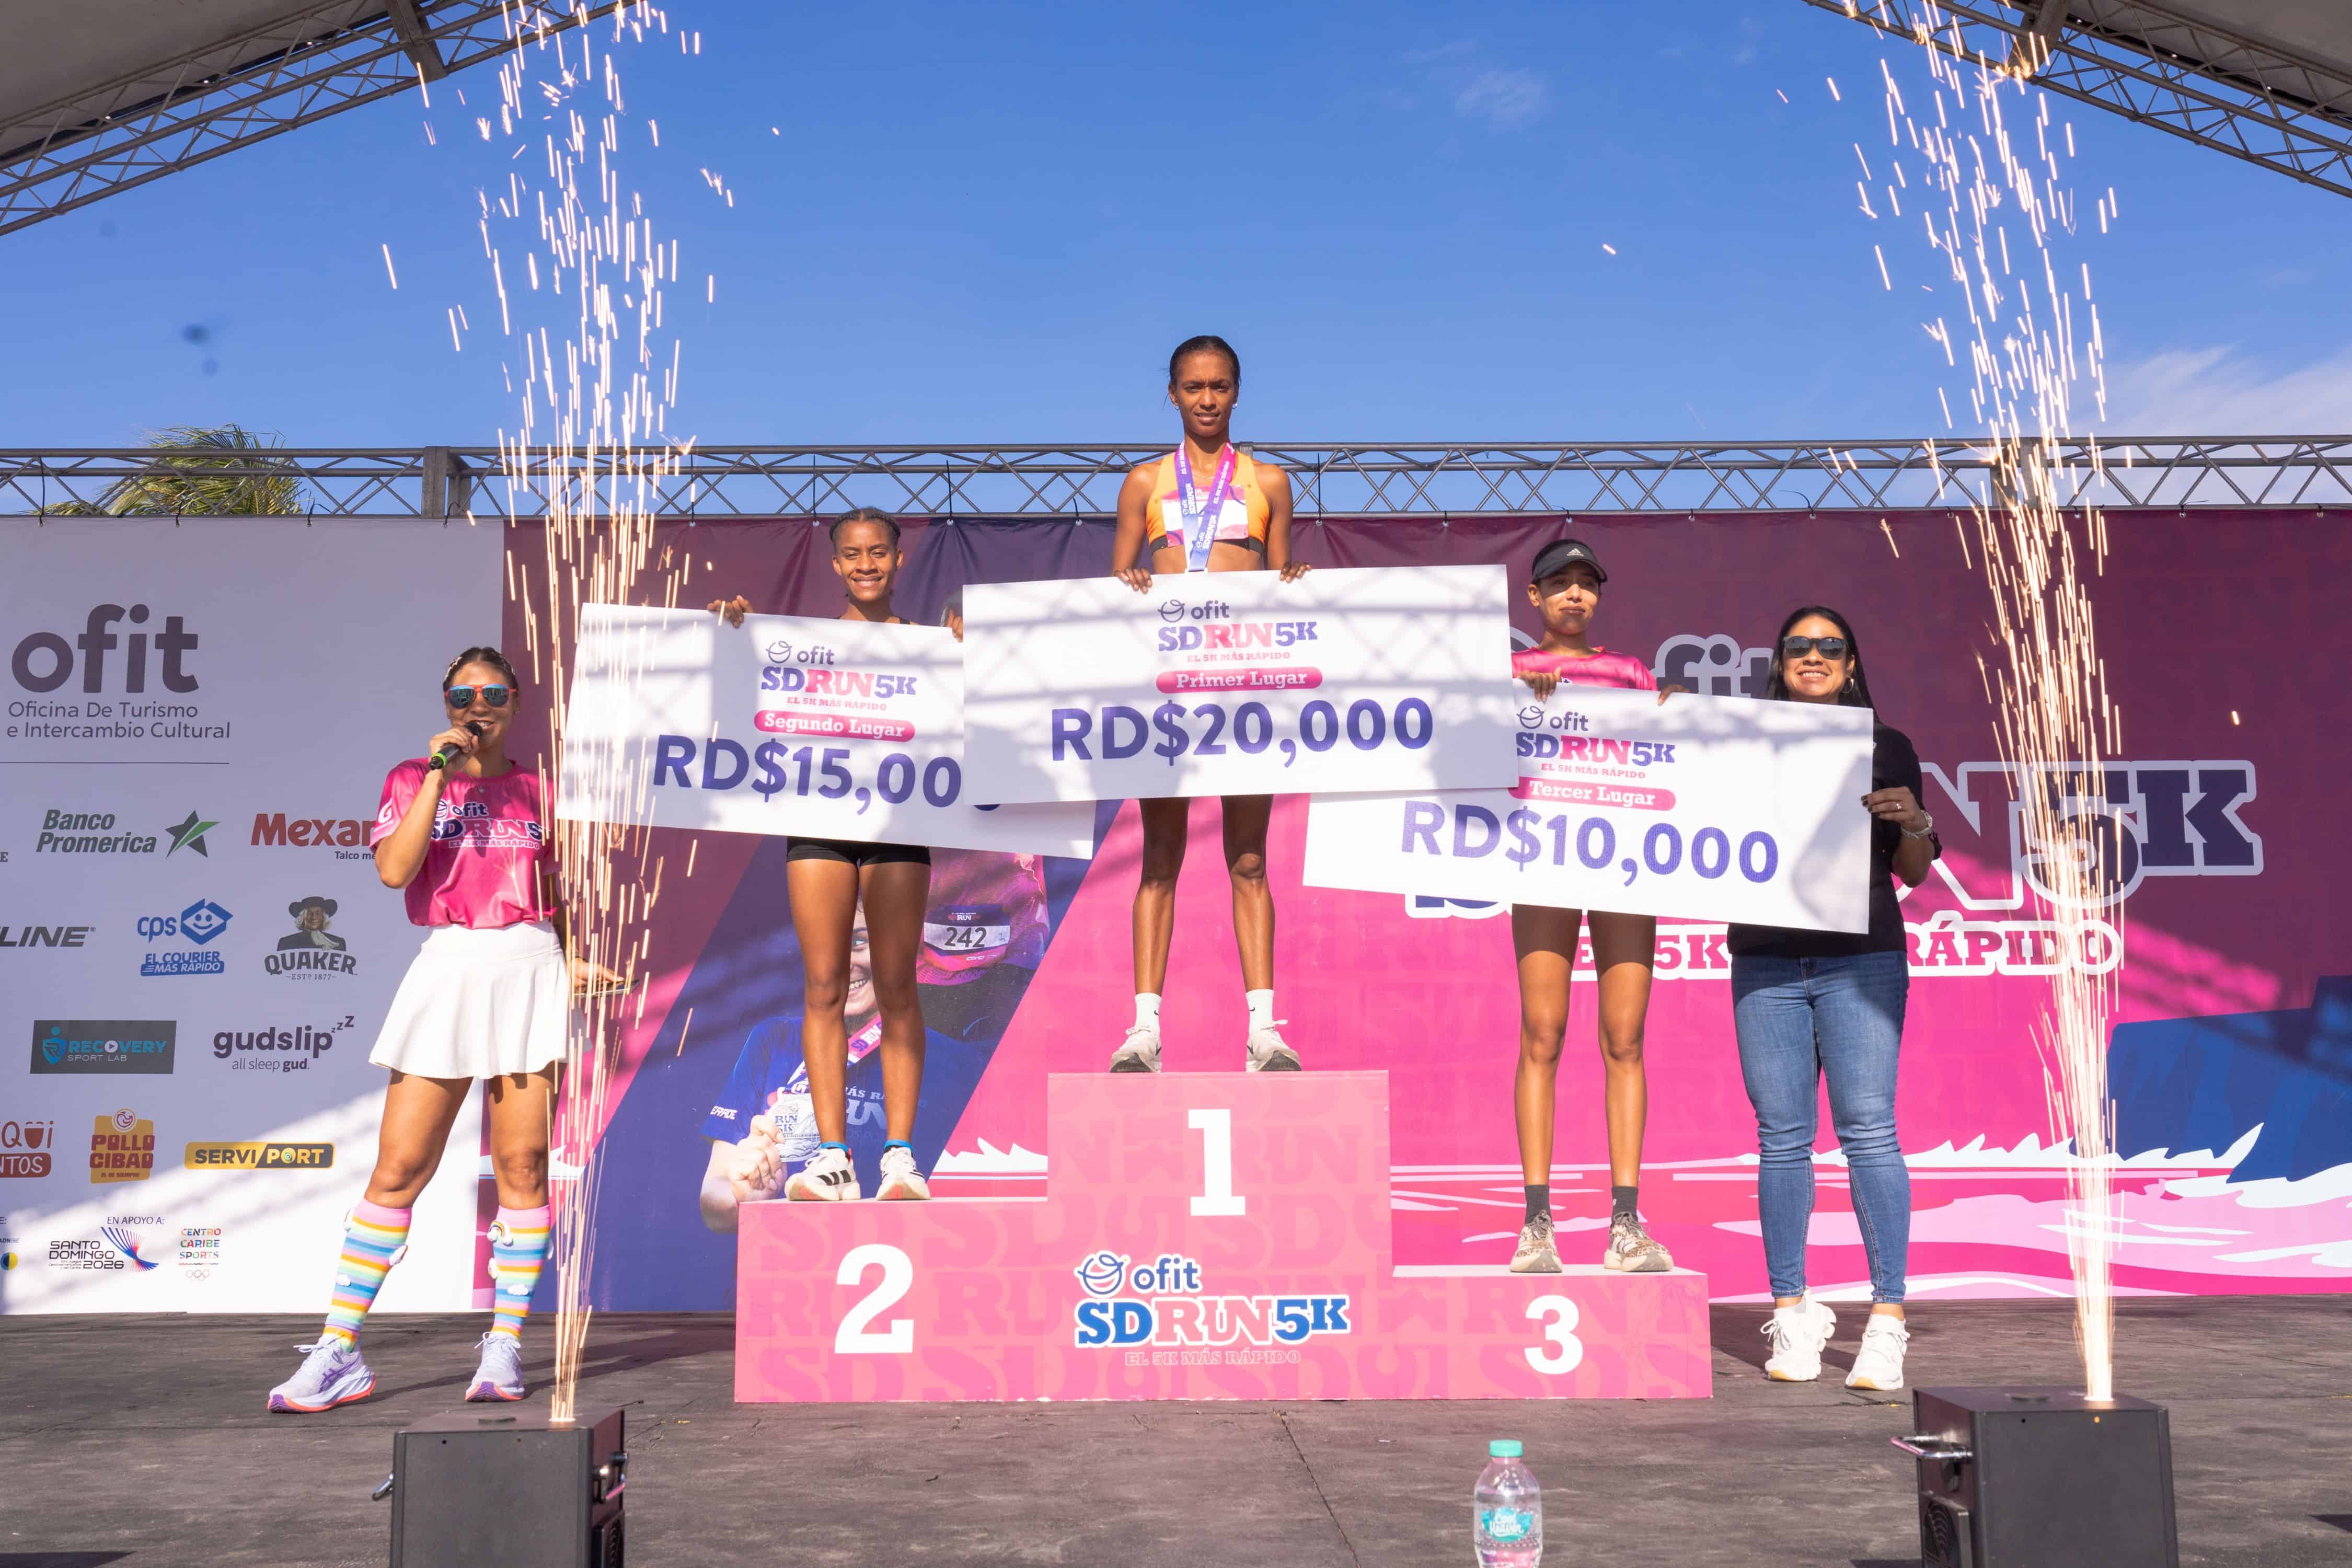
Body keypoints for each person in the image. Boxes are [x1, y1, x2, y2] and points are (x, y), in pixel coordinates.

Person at [267, 647, 612, 1413]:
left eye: (492, 693)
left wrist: (577, 957)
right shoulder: (409, 776)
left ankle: (505, 1344)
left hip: (528, 963)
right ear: (448, 702)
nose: (476, 705)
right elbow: (395, 870)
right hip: (449, 964)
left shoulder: (541, 791)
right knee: (400, 1166)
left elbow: (565, 889)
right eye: (463, 694)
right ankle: (339, 1348)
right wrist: (437, 775)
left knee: (522, 1164)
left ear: (516, 702)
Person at [1727, 607, 1938, 1390]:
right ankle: (1794, 1307)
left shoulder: (1887, 745)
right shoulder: (1737, 741)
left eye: (1830, 648)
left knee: (1869, 1130)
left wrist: (1916, 822)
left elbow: (1915, 869)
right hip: (1766, 964)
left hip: (1862, 960)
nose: (1813, 657)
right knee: (1782, 1137)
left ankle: (1888, 1319)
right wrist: (1667, 720)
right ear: (1779, 662)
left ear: (1852, 665)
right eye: (1798, 648)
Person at [707, 508, 937, 1202]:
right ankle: (833, 1159)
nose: (866, 564)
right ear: (835, 565)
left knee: (896, 987)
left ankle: (900, 1157)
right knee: (824, 986)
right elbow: (736, 704)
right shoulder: (796, 647)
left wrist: (964, 647)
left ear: (899, 562)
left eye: (878, 553)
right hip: (819, 821)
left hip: (901, 820)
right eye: (852, 555)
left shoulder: (931, 646)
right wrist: (733, 639)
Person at [1106, 335, 1310, 1074]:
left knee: (1249, 859)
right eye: (1193, 387)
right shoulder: (1142, 483)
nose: (1207, 400)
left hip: (1244, 686)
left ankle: (1264, 1031)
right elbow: (1112, 589)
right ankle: (1143, 1031)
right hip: (1165, 691)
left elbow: (1284, 579)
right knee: (1158, 859)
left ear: (1237, 392)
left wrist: (1297, 582)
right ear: (1171, 394)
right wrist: (1126, 587)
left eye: (1220, 386)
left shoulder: (1270, 482)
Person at [1505, 538, 1677, 1276]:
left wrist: (1672, 714)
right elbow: (1471, 750)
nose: (1575, 596)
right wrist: (1519, 705)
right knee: (1542, 1032)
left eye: (1586, 585)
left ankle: (1626, 1224)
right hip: (1543, 861)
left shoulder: (1632, 673)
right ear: (1534, 600)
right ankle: (1537, 1224)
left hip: (1625, 864)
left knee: (1625, 1039)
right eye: (1560, 584)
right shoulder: (1510, 674)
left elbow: (1670, 754)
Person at [697, 904, 979, 1231]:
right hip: (787, 1268)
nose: (841, 963)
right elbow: (713, 1204)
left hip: (906, 1261)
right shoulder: (774, 1040)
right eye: (825, 945)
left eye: (858, 942)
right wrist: (742, 1194)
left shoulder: (955, 1061)